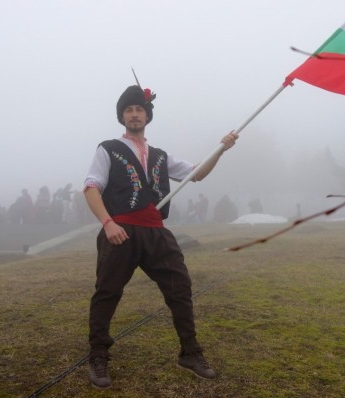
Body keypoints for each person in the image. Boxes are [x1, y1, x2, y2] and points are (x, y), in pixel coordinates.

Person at [83, 85, 238, 388]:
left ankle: (190, 353)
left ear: (147, 115)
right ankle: (98, 355)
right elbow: (91, 188)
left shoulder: (160, 156)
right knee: (107, 293)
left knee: (180, 288)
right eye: (129, 110)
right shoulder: (108, 148)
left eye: (139, 109)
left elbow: (197, 174)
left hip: (156, 233)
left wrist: (221, 149)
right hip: (121, 232)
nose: (134, 114)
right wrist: (108, 223)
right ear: (121, 116)